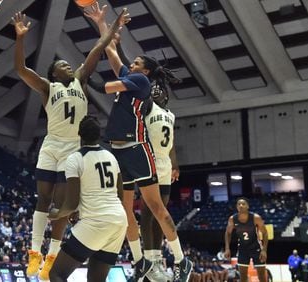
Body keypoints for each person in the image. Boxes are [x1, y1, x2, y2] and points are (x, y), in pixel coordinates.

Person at [12, 8, 128, 280]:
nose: (67, 66)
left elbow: (99, 47)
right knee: (43, 198)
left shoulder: (81, 79)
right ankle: (34, 252)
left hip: (72, 149)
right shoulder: (46, 87)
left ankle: (52, 255)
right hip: (52, 145)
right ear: (53, 74)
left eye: (67, 64)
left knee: (63, 203)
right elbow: (20, 69)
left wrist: (111, 26)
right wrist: (19, 39)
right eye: (61, 65)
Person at [84, 4, 192, 282]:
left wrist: (82, 76)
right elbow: (110, 51)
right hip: (117, 150)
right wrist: (101, 22)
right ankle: (140, 260)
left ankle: (181, 260)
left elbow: (102, 87)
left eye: (135, 64)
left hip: (136, 148)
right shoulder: (131, 78)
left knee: (156, 208)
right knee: (124, 210)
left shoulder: (139, 84)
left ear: (144, 71)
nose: (130, 64)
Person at [48, 115, 128, 282]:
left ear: (80, 135)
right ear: (99, 135)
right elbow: (120, 195)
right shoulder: (111, 157)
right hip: (118, 221)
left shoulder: (75, 159)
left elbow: (71, 203)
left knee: (56, 274)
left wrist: (55, 213)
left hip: (96, 221)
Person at [139, 69, 180, 282]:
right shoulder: (147, 107)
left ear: (166, 95)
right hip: (149, 161)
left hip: (164, 163)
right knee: (149, 213)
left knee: (161, 214)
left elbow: (172, 143)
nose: (156, 91)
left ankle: (157, 261)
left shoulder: (170, 115)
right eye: (152, 89)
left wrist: (175, 165)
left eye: (159, 90)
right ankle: (149, 260)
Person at [224, 197, 269, 282]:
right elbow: (228, 233)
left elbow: (265, 233)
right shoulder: (232, 219)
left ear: (248, 206)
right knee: (243, 277)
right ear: (237, 207)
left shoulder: (256, 218)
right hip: (242, 248)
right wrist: (227, 248)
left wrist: (264, 250)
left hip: (256, 247)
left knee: (262, 276)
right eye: (239, 204)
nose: (241, 205)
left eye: (243, 204)